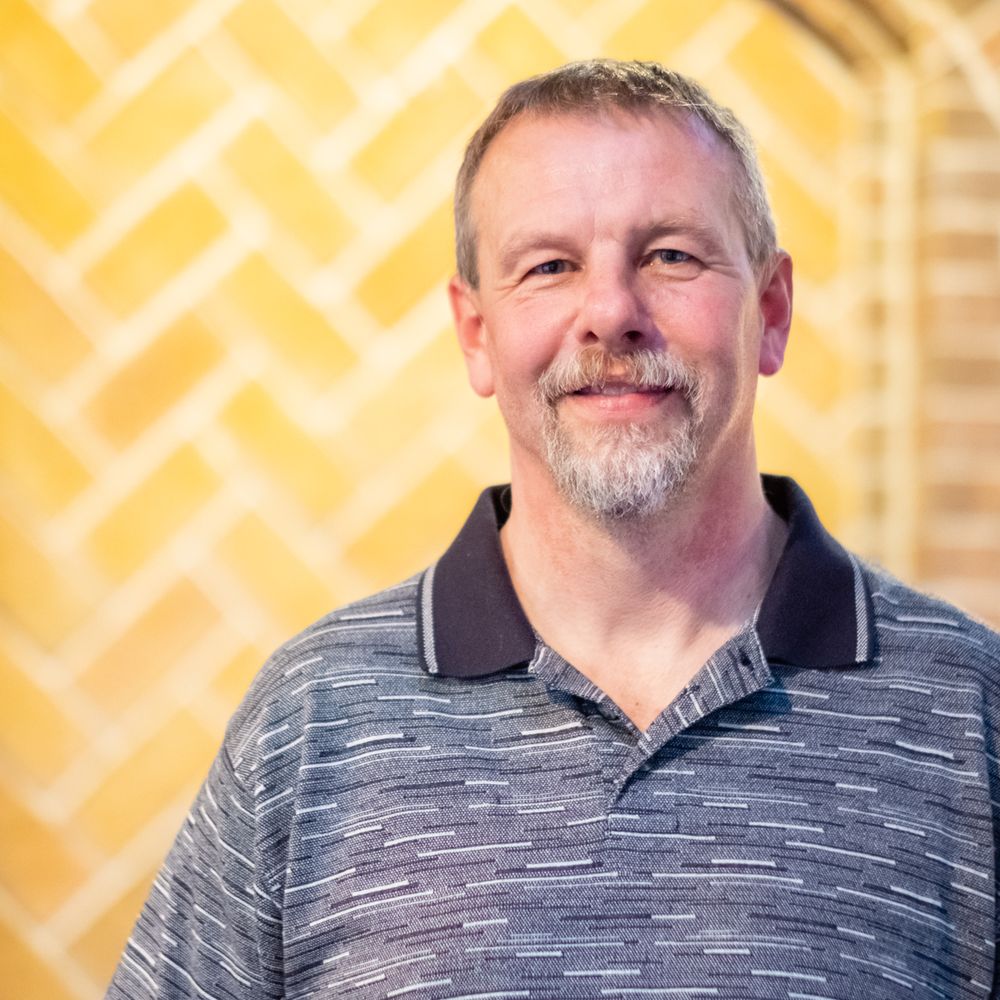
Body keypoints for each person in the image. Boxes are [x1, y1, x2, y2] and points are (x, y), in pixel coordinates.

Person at [106, 59, 1000, 1000]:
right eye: (549, 267)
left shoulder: (970, 712)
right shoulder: (315, 720)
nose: (610, 313)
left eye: (671, 256)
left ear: (770, 311)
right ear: (476, 335)